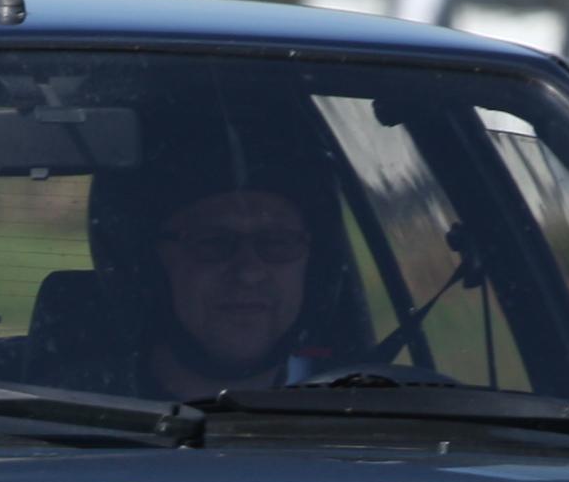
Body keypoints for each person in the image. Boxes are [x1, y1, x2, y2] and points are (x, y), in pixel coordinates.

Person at [86, 120, 363, 403]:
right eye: (212, 242)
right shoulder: (69, 412)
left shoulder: (358, 412)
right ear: (147, 267)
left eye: (277, 242)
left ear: (315, 267)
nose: (249, 273)